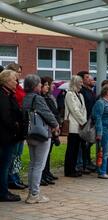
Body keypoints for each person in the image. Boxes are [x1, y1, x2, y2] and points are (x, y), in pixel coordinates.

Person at [23, 74, 59, 204]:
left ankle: (31, 192)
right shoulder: (37, 98)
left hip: (30, 133)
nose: (41, 85)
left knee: (33, 164)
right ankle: (34, 194)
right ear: (34, 86)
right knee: (39, 165)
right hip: (41, 134)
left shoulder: (25, 97)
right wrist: (55, 125)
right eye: (39, 84)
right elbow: (47, 113)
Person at [0, 70, 23, 202]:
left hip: (9, 136)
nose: (16, 82)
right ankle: (3, 192)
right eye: (14, 80)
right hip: (5, 137)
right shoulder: (3, 95)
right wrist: (16, 126)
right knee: (4, 165)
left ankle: (3, 190)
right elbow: (6, 117)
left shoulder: (8, 94)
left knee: (5, 165)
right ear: (7, 81)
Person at [6, 64, 27, 190]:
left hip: (21, 124)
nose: (19, 74)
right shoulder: (12, 89)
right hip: (15, 125)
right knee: (13, 154)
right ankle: (11, 178)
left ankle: (16, 176)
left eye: (20, 72)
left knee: (18, 154)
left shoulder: (19, 87)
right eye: (17, 72)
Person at [64, 76, 87, 177]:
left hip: (80, 125)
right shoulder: (69, 94)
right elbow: (74, 110)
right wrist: (83, 121)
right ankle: (69, 170)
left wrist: (84, 121)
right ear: (76, 83)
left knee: (76, 149)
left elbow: (84, 109)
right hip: (73, 125)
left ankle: (74, 168)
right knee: (71, 149)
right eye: (80, 82)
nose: (82, 84)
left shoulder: (80, 95)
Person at [40, 77, 61, 186]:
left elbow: (54, 112)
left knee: (48, 153)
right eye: (47, 84)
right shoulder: (41, 98)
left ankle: (46, 172)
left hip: (52, 127)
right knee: (43, 154)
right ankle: (42, 175)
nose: (49, 86)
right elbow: (48, 113)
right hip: (47, 128)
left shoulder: (48, 97)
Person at [77, 71, 97, 173]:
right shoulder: (82, 92)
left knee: (88, 143)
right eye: (87, 77)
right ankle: (81, 164)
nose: (90, 79)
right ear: (82, 80)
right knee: (82, 143)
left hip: (91, 120)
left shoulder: (91, 91)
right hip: (84, 121)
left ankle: (87, 162)